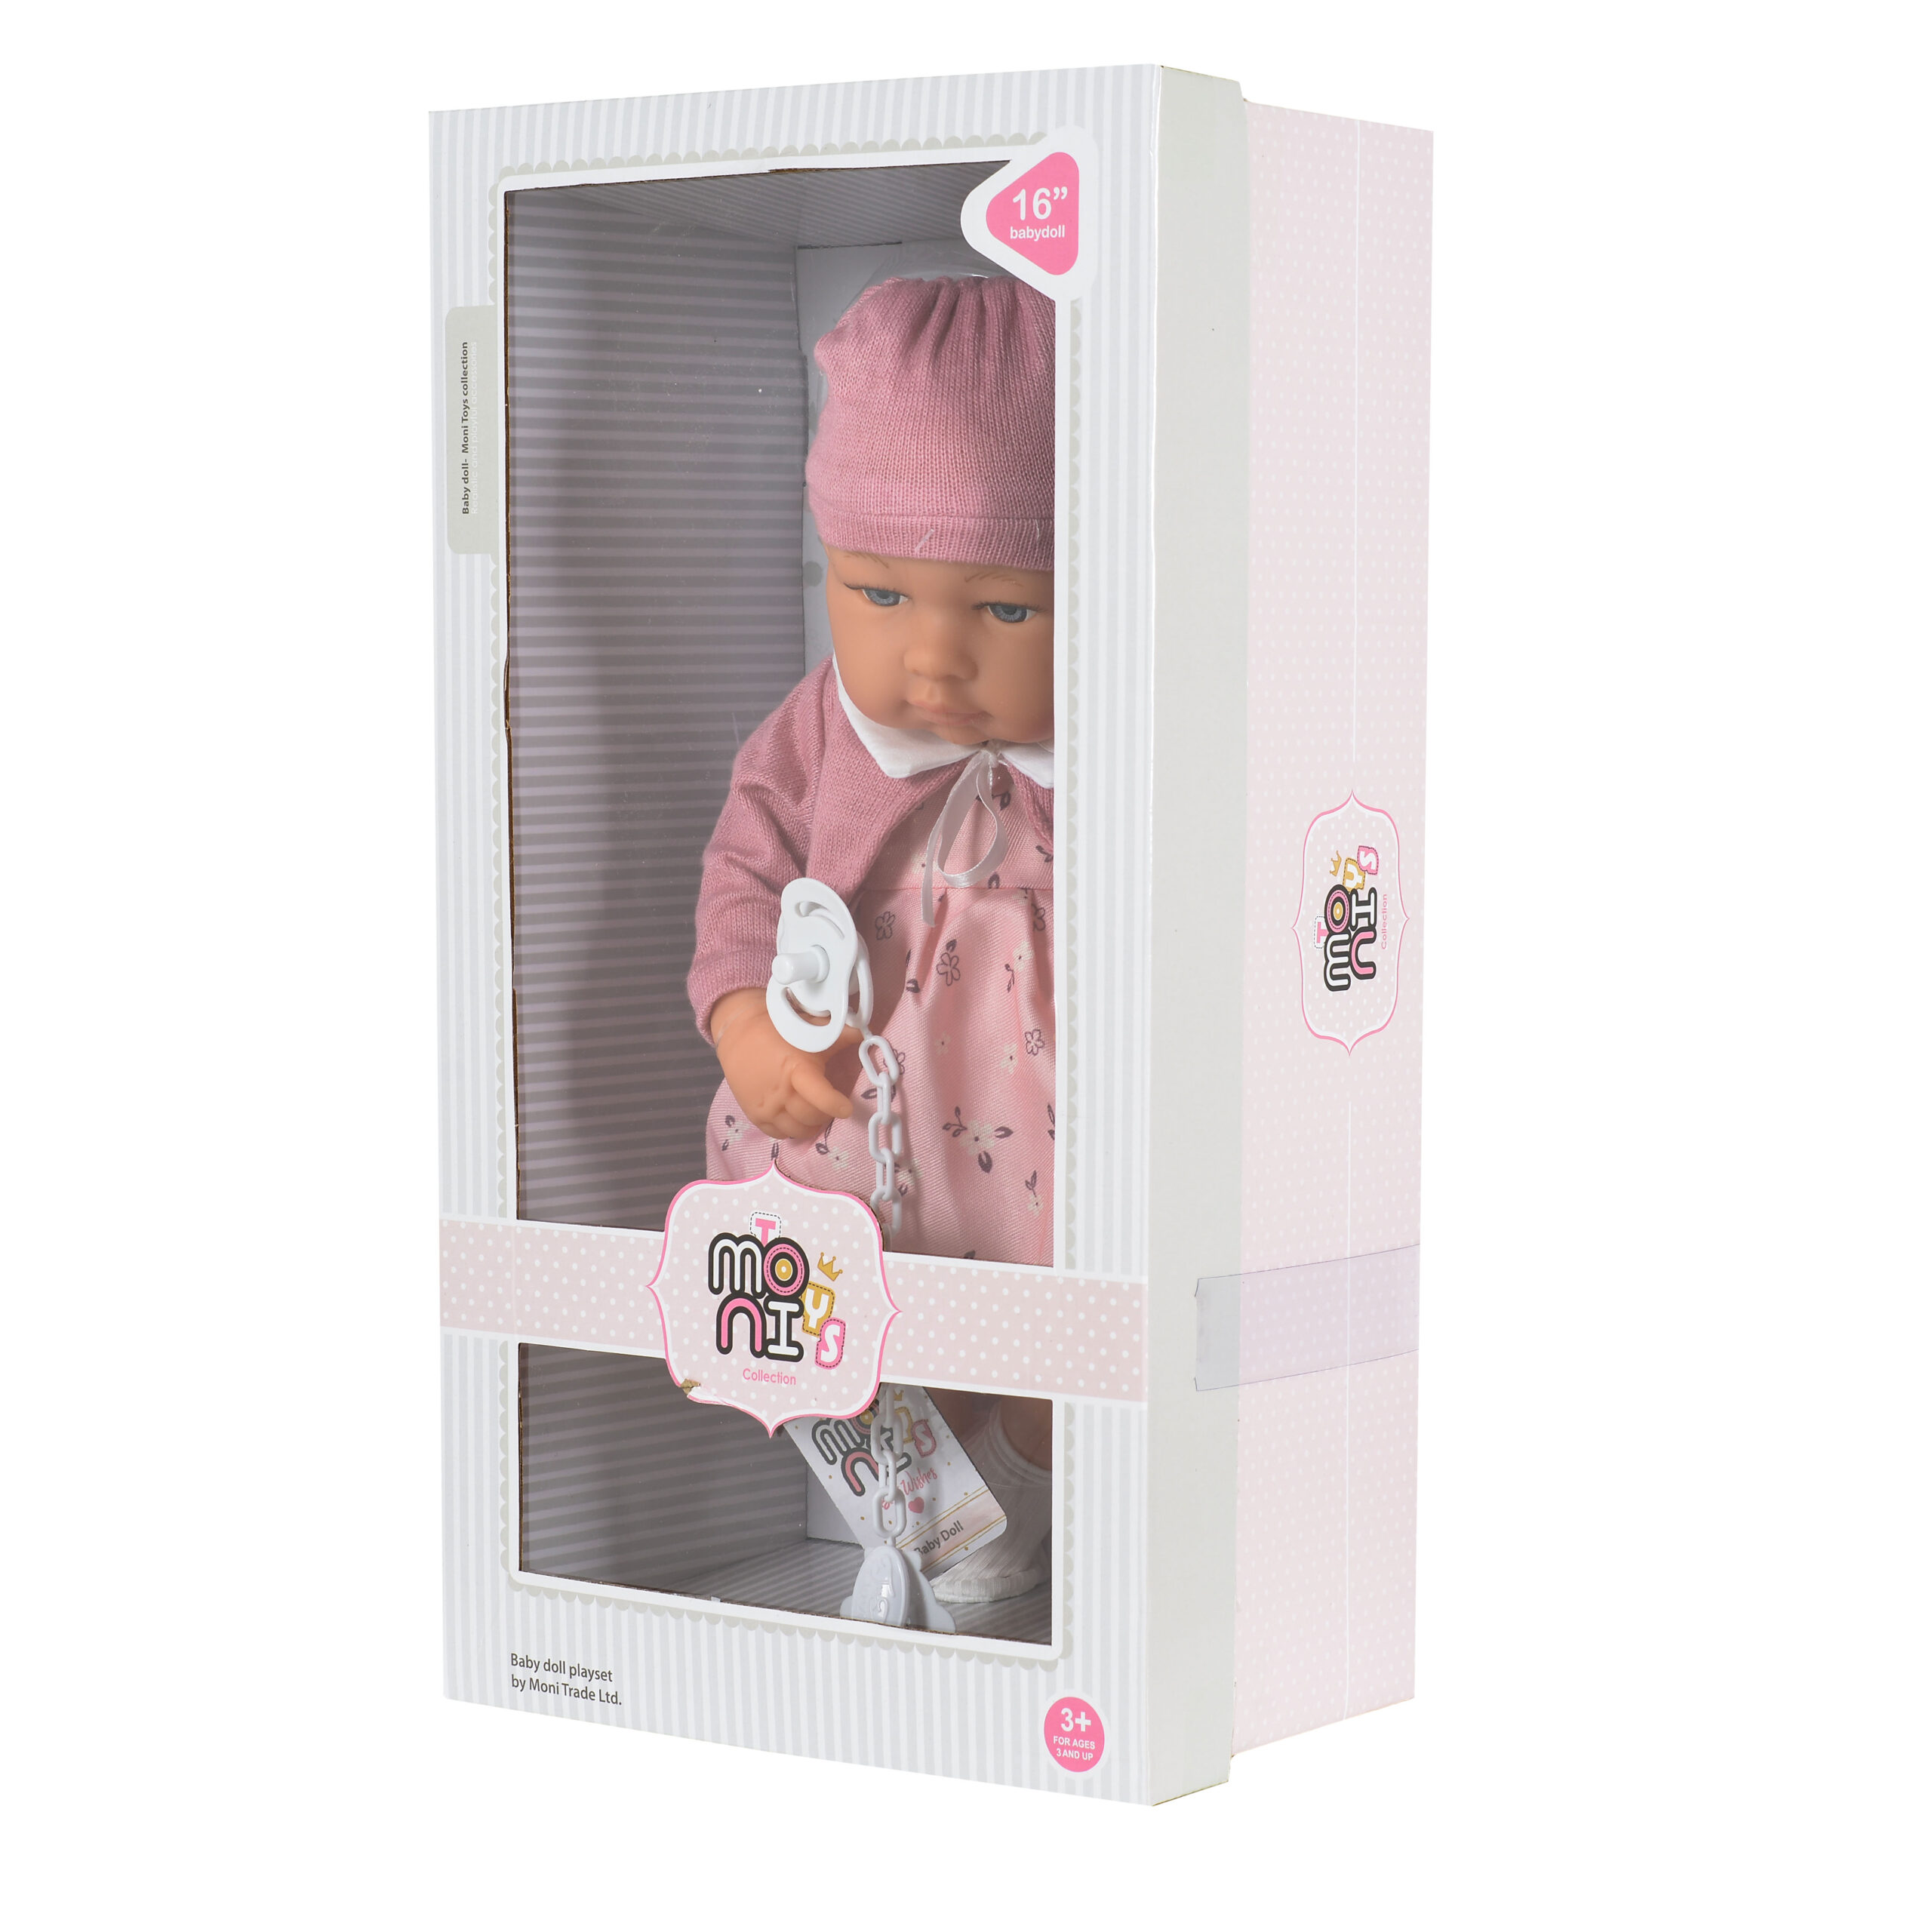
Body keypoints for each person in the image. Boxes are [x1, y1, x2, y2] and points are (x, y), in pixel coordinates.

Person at [687, 275, 1057, 1603]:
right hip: (856, 1101)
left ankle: (1022, 1485)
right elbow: (747, 865)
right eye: (880, 595)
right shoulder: (820, 731)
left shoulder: (1121, 742)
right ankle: (932, 1521)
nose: (933, 661)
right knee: (812, 1295)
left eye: (1006, 610)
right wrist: (744, 1020)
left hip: (1037, 1130)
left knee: (1052, 1322)